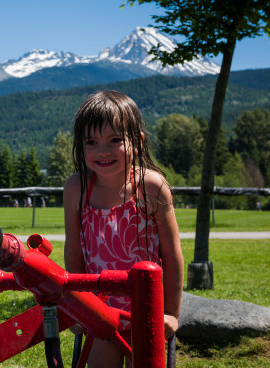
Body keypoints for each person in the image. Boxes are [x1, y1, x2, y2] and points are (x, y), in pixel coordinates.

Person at [63, 90, 184, 368]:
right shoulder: (76, 188)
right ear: (80, 146)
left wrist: (171, 313)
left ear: (138, 143)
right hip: (99, 310)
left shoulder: (152, 186)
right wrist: (79, 308)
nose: (102, 152)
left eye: (115, 140)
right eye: (91, 142)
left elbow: (172, 254)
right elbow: (74, 251)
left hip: (147, 310)